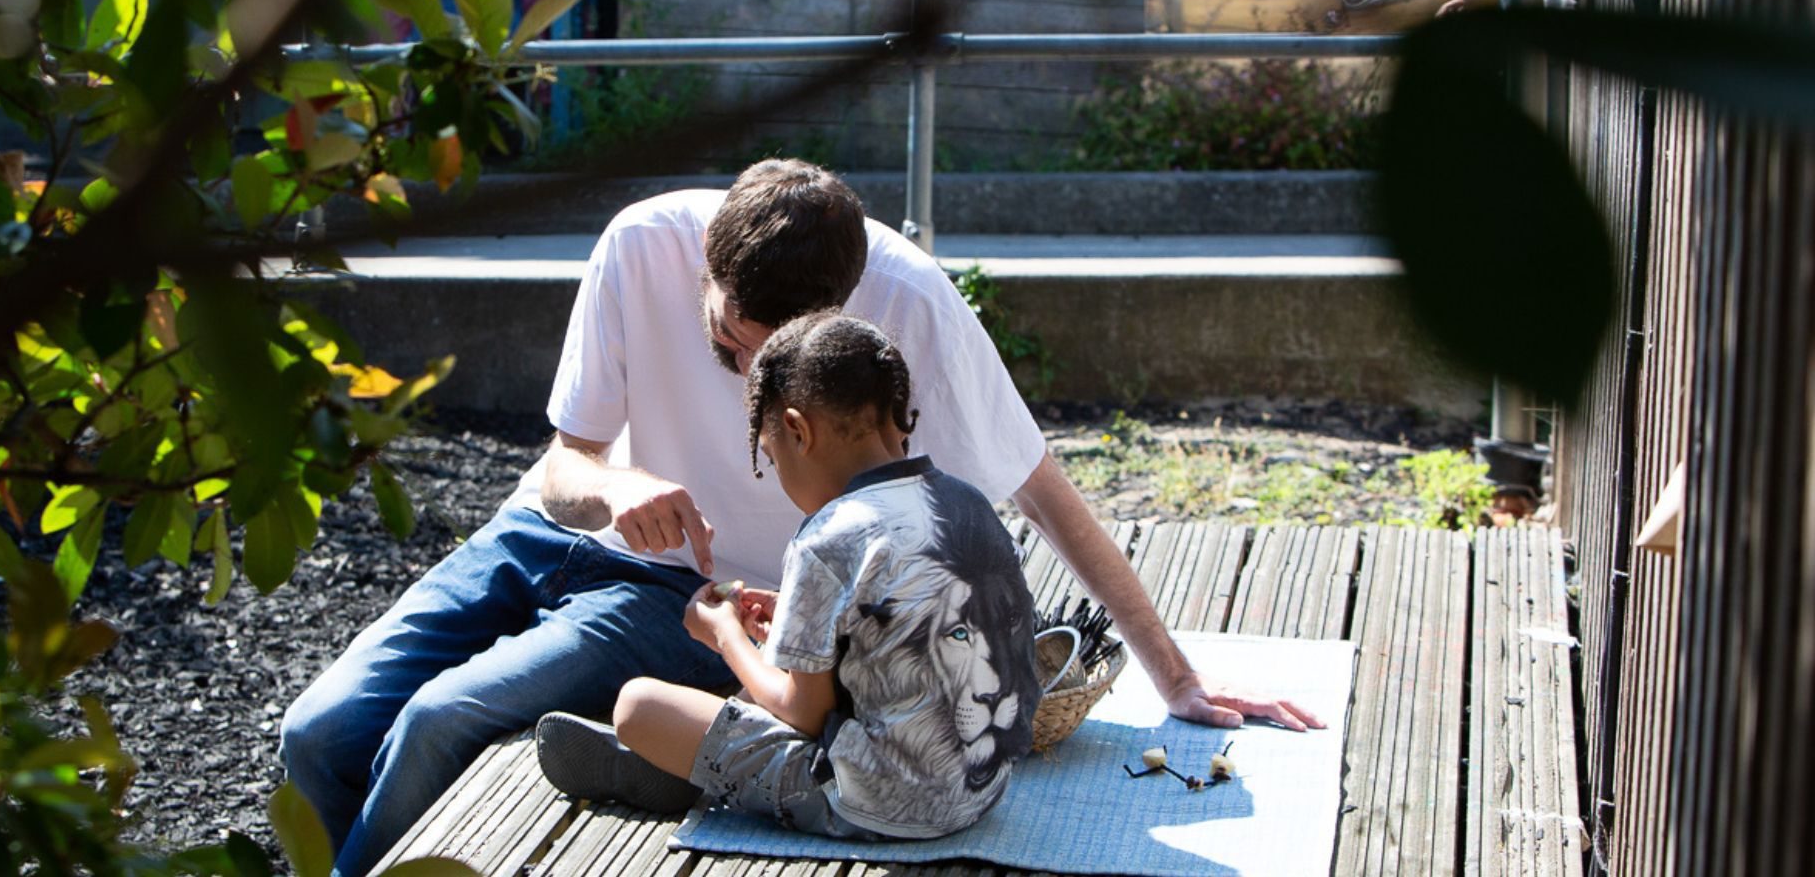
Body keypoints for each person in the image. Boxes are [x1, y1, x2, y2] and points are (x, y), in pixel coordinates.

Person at [281, 159, 1321, 877]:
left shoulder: (911, 303)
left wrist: (1177, 680)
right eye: (736, 347)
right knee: (318, 729)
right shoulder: (640, 243)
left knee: (437, 721)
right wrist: (614, 489)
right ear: (708, 268)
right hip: (552, 531)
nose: (754, 388)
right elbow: (563, 461)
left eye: (780, 370)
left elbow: (1040, 489)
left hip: (687, 591)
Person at [536, 313, 1042, 841]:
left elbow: (804, 714)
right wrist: (796, 612)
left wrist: (727, 639)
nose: (779, 476)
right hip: (982, 790)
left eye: (772, 460)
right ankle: (690, 766)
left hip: (877, 805)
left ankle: (674, 770)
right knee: (754, 689)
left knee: (638, 706)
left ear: (798, 431)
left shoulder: (827, 536)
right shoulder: (967, 503)